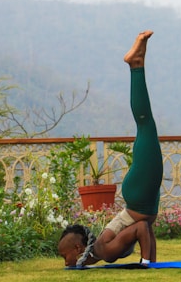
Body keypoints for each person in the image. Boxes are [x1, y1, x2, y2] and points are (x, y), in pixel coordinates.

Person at [58, 30, 163, 268]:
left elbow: (141, 228)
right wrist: (152, 263)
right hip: (141, 201)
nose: (66, 263)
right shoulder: (102, 250)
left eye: (65, 257)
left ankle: (136, 65)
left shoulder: (105, 250)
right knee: (145, 124)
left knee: (145, 123)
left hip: (139, 199)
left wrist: (146, 263)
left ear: (77, 249)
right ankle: (136, 64)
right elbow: (145, 229)